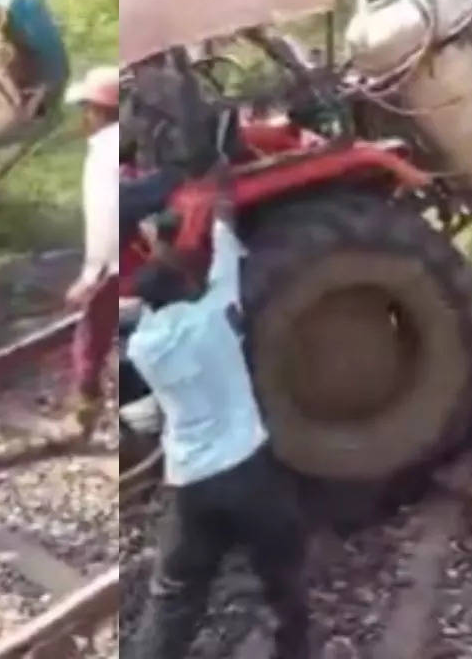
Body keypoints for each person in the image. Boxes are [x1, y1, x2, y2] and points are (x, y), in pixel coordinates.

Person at [127, 172, 309, 658]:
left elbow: (159, 295)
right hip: (249, 472)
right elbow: (225, 268)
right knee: (281, 577)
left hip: (189, 484)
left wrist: (162, 247)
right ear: (189, 286)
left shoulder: (145, 346)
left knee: (173, 596)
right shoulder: (216, 316)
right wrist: (224, 220)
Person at [62, 66, 120, 438]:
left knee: (91, 337)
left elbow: (104, 218)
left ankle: (83, 415)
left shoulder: (102, 154)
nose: (84, 117)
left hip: (111, 263)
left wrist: (89, 276)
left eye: (87, 108)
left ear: (98, 110)